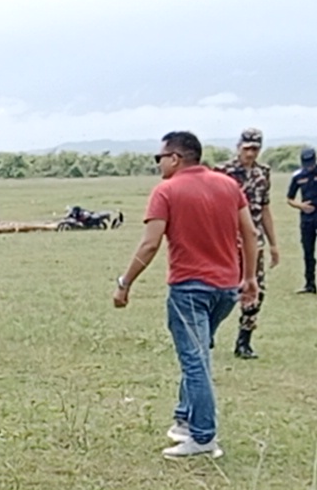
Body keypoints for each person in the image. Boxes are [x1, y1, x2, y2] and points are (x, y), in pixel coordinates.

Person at [113, 131, 258, 458]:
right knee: (199, 353)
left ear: (175, 158)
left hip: (190, 289)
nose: (158, 164)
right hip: (226, 289)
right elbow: (249, 233)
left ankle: (203, 437)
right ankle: (183, 419)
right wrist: (249, 277)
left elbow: (150, 244)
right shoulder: (228, 185)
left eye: (160, 158)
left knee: (195, 361)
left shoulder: (166, 191)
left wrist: (125, 283)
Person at [217, 129, 280, 358]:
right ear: (238, 147)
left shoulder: (263, 173)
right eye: (247, 149)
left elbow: (265, 209)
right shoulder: (223, 172)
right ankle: (208, 330)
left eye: (255, 149)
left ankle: (244, 341)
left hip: (253, 242)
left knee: (256, 290)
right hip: (226, 240)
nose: (251, 153)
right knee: (219, 289)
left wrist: (273, 243)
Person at [290, 147, 317, 293]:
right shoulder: (298, 176)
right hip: (307, 219)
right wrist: (300, 206)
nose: (309, 166)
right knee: (308, 252)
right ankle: (310, 284)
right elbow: (290, 198)